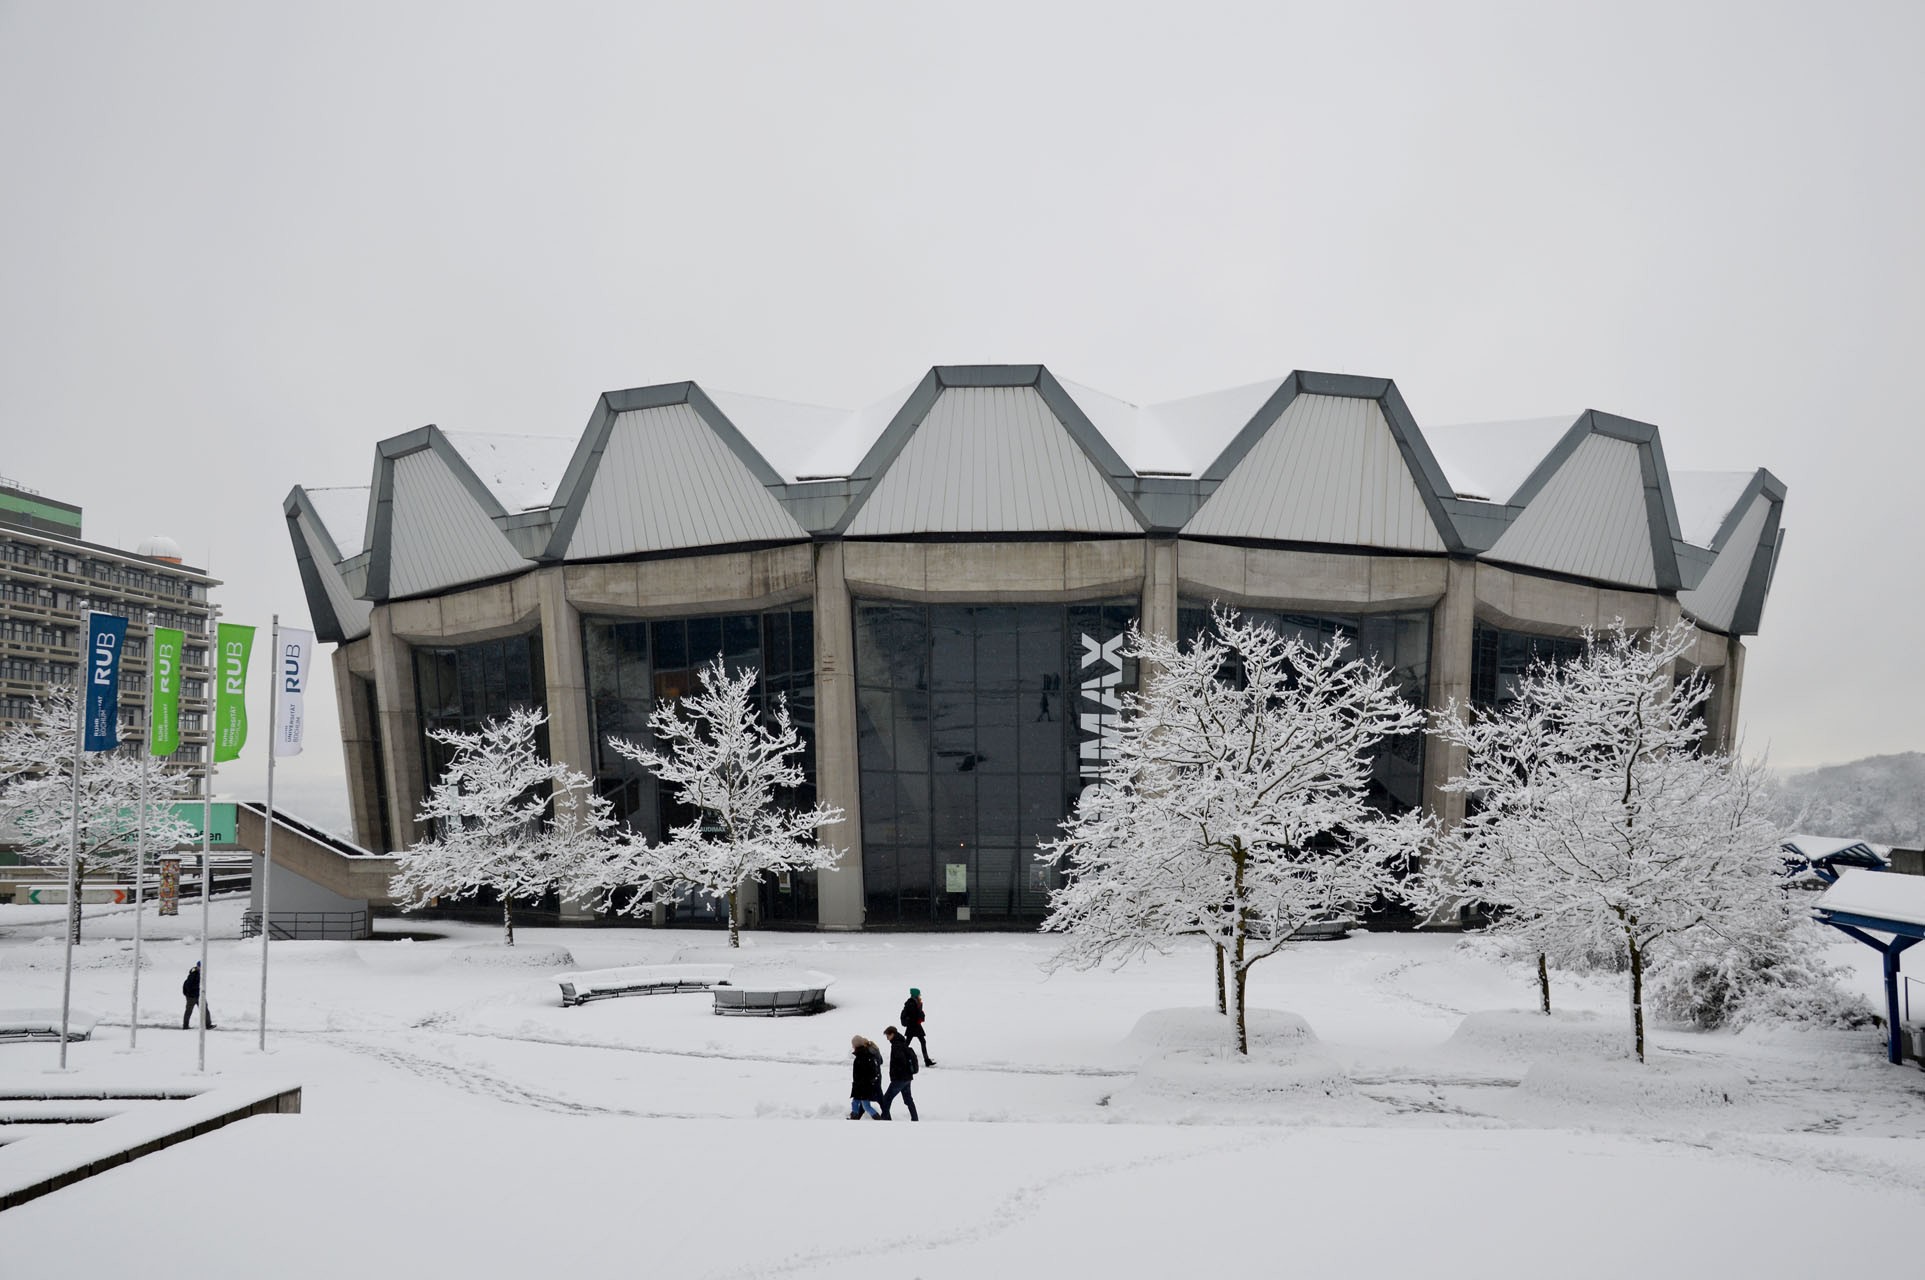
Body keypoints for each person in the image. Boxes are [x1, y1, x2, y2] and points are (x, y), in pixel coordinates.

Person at [880, 1026, 919, 1121]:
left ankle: (885, 1119)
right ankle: (915, 1119)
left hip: (900, 1078)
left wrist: (896, 1074)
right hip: (907, 1078)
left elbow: (901, 1061)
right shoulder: (902, 1042)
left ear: (892, 1034)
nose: (887, 1038)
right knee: (908, 1099)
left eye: (887, 1035)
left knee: (886, 1099)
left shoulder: (896, 1045)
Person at [848, 1035, 883, 1119]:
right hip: (864, 1085)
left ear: (856, 1045)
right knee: (864, 1105)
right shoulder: (864, 1054)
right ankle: (855, 1117)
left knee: (860, 1104)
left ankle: (877, 1119)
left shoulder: (862, 1056)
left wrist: (860, 1084)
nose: (852, 1046)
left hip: (862, 1086)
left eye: (853, 1044)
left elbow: (862, 1073)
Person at [900, 987, 934, 1066]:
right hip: (913, 1026)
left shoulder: (915, 1002)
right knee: (909, 1043)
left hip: (915, 1026)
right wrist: (920, 1016)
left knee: (914, 1042)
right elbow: (914, 1015)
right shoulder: (911, 1003)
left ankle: (927, 1060)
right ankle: (900, 1057)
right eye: (918, 994)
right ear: (915, 995)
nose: (920, 996)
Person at [181, 961, 215, 1030]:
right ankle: (185, 1026)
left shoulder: (201, 974)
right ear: (198, 966)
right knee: (189, 1011)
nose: (202, 968)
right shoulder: (193, 974)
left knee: (205, 1010)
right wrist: (195, 990)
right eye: (201, 967)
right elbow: (188, 986)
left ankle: (208, 1025)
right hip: (192, 997)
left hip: (200, 996)